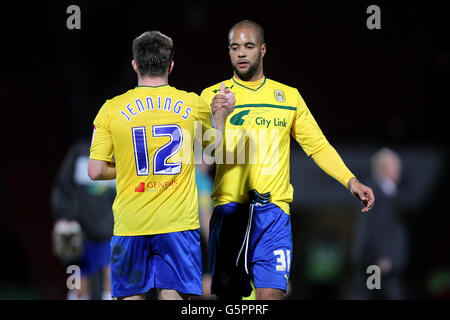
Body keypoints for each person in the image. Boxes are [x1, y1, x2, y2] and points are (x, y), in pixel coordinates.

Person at [200, 20, 375, 300]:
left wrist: (350, 180)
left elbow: (317, 145)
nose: (241, 53)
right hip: (231, 212)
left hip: (274, 213)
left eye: (248, 46)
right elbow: (206, 156)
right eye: (235, 47)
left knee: (271, 295)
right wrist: (217, 119)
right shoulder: (212, 96)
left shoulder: (288, 97)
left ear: (263, 49)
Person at [88, 31, 234, 300]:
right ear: (171, 66)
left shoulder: (111, 109)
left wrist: (125, 169)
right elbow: (216, 153)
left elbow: (95, 170)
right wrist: (222, 117)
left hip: (131, 225)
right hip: (178, 225)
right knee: (174, 297)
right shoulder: (192, 103)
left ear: (135, 65)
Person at [51, 140, 114, 300]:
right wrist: (63, 216)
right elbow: (64, 186)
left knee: (112, 281)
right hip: (80, 230)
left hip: (112, 231)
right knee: (77, 283)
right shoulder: (79, 153)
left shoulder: (121, 153)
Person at [350, 148, 408, 300]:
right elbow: (372, 228)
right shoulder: (374, 193)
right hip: (376, 261)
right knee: (370, 293)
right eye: (395, 166)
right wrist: (381, 257)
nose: (399, 170)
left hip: (384, 261)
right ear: (383, 168)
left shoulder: (390, 192)